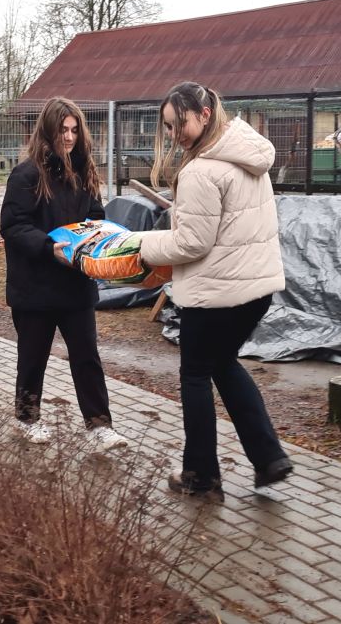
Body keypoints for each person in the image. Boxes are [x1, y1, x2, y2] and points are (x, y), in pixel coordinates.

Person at [137, 81, 292, 502]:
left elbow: (192, 244)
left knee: (195, 375)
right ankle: (269, 458)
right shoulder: (247, 152)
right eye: (168, 127)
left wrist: (141, 244)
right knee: (224, 364)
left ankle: (201, 477)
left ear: (204, 114)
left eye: (178, 124)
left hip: (216, 293)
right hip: (256, 289)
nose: (174, 135)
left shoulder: (202, 169)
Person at [0, 97, 128, 453]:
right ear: (48, 130)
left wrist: (101, 238)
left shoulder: (83, 171)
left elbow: (96, 215)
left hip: (75, 285)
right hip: (35, 287)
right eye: (62, 130)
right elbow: (13, 226)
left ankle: (100, 426)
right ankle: (27, 418)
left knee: (87, 357)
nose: (69, 138)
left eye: (74, 130)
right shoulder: (26, 174)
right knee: (33, 356)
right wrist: (47, 246)